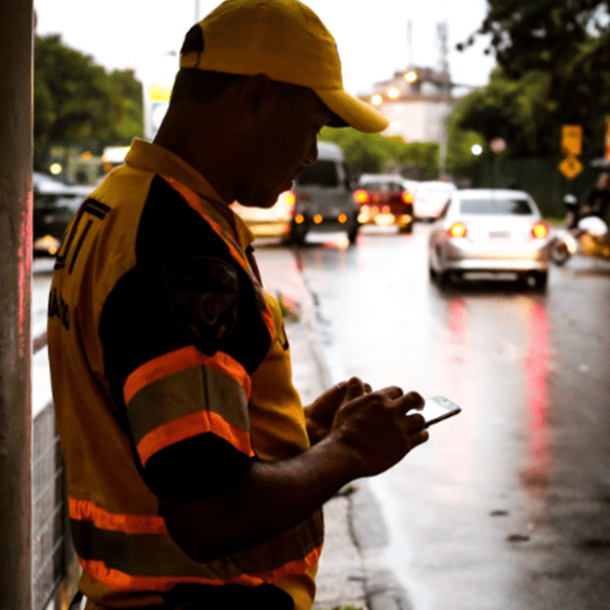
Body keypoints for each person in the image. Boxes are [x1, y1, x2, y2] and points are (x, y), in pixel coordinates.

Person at [47, 1, 429, 609]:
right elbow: (211, 513)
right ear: (257, 98)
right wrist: (347, 452)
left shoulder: (121, 205)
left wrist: (300, 436)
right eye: (313, 127)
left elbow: (170, 445)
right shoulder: (177, 250)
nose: (310, 155)